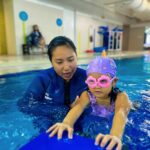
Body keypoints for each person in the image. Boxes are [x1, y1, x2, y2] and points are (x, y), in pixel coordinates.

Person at [46, 56, 132, 150]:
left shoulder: (120, 97)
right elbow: (78, 107)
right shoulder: (87, 95)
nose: (97, 86)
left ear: (114, 82)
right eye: (92, 81)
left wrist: (115, 135)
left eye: (103, 81)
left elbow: (121, 113)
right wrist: (66, 123)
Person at [18, 36, 87, 129]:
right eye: (59, 62)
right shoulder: (43, 79)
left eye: (71, 60)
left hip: (78, 120)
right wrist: (64, 110)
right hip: (48, 120)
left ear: (76, 57)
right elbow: (25, 105)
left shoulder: (86, 77)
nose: (66, 67)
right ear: (51, 62)